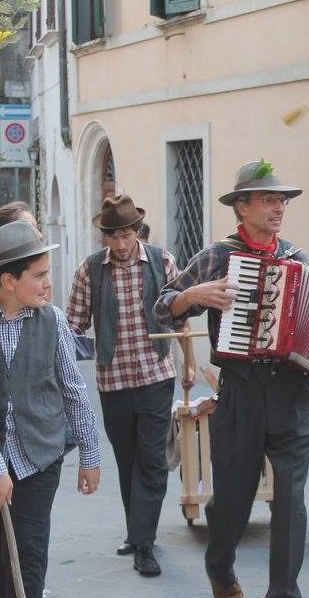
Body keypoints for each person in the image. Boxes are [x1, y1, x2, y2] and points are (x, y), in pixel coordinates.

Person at [155, 159, 309, 598]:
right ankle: (220, 567)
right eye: (268, 200)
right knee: (233, 498)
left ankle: (283, 591)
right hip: (240, 392)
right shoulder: (217, 257)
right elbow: (161, 306)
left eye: (281, 201)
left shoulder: (297, 259)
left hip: (294, 393)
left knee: (290, 498)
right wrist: (190, 296)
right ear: (242, 207)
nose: (278, 208)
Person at [0, 220, 102, 598]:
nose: (49, 283)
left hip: (40, 456)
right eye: (39, 275)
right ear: (8, 281)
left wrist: (90, 454)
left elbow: (74, 389)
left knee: (29, 558)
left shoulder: (54, 320)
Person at [66, 195, 193, 577]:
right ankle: (136, 533)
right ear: (105, 237)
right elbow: (72, 325)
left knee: (152, 461)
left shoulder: (162, 261)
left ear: (136, 231)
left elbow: (181, 316)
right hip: (114, 381)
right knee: (127, 460)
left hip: (156, 376)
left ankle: (144, 544)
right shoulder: (90, 270)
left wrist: (189, 363)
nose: (120, 244)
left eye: (126, 235)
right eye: (113, 237)